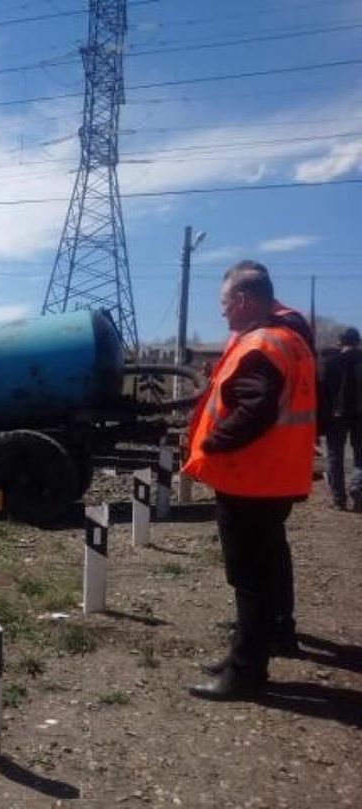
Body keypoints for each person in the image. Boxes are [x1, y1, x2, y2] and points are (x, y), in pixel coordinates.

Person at [183, 260, 316, 700]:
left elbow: (255, 409)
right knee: (267, 566)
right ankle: (259, 644)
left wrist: (211, 444)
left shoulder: (260, 343)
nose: (221, 313)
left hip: (250, 478)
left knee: (249, 579)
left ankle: (245, 673)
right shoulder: (288, 338)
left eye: (223, 303)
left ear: (242, 300)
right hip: (273, 476)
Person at [320, 326, 362, 510]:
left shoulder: (330, 363)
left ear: (340, 342)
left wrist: (320, 420)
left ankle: (339, 500)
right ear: (358, 342)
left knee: (334, 457)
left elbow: (323, 394)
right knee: (361, 455)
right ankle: (357, 487)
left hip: (335, 416)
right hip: (361, 416)